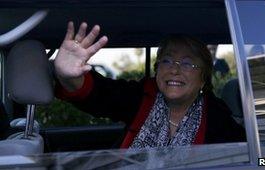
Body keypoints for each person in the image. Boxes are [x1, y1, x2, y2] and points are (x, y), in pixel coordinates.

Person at [54, 22, 246, 149]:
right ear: (157, 69)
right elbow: (100, 93)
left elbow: (251, 159)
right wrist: (69, 76)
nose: (174, 70)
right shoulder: (141, 97)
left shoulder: (218, 117)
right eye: (167, 61)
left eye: (187, 63)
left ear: (203, 78)